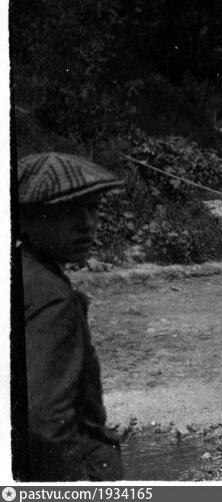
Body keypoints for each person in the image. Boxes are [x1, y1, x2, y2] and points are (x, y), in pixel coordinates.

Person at [17, 152, 126, 481]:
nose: (87, 223)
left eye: (92, 208)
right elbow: (44, 423)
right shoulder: (51, 299)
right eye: (67, 211)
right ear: (24, 217)